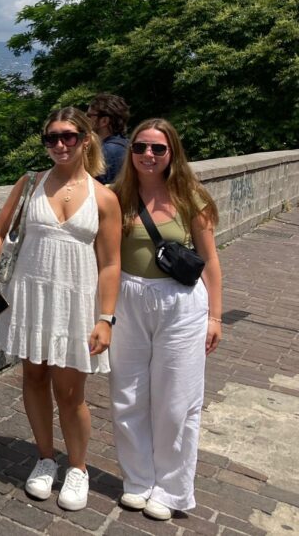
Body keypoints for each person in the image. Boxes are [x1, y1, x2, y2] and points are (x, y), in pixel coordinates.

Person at [0, 107, 121, 512]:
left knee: (71, 392)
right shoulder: (31, 184)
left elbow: (110, 264)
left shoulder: (104, 197)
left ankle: (78, 467)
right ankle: (44, 457)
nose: (59, 144)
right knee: (34, 378)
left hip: (75, 302)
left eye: (69, 136)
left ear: (86, 139)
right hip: (31, 297)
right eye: (52, 137)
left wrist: (105, 319)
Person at [109, 118, 222, 520]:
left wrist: (216, 316)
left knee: (176, 400)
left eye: (158, 148)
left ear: (172, 152)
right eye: (140, 147)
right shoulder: (117, 197)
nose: (148, 155)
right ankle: (137, 480)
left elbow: (210, 260)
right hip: (128, 298)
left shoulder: (190, 196)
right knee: (128, 396)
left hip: (180, 302)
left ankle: (172, 489)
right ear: (130, 152)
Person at [87, 93, 130, 184]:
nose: (86, 120)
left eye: (89, 116)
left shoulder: (104, 152)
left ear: (104, 121)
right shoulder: (128, 145)